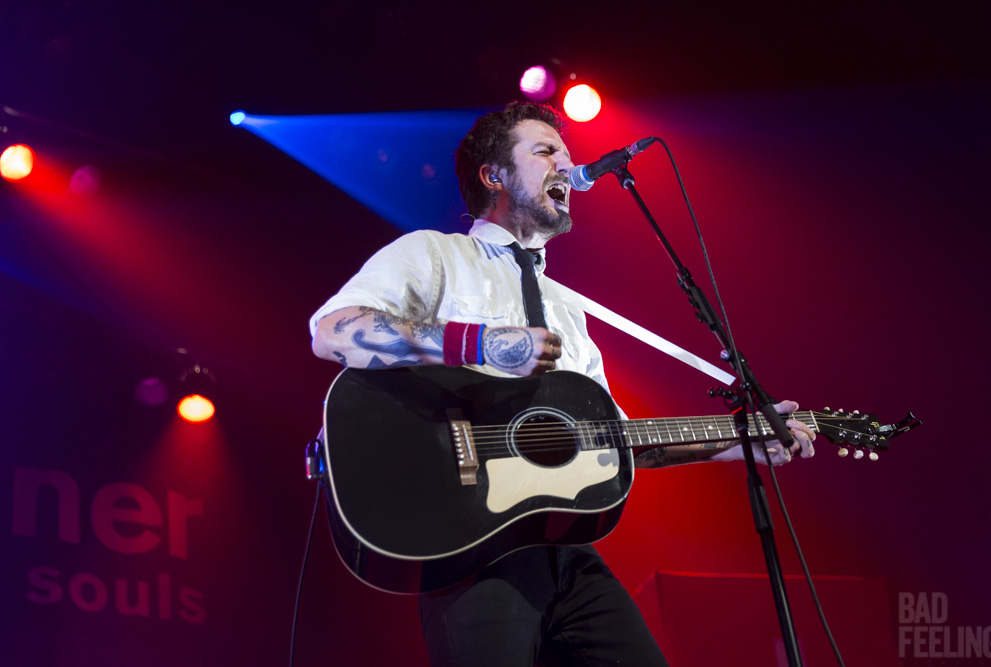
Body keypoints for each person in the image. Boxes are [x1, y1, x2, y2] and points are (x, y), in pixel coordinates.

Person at [310, 101, 816, 666]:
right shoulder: (434, 254)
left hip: (566, 554)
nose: (566, 166)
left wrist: (733, 439)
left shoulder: (566, 309)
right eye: (546, 151)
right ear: (493, 175)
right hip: (471, 547)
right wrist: (481, 344)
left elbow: (616, 439)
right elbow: (334, 332)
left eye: (567, 154)